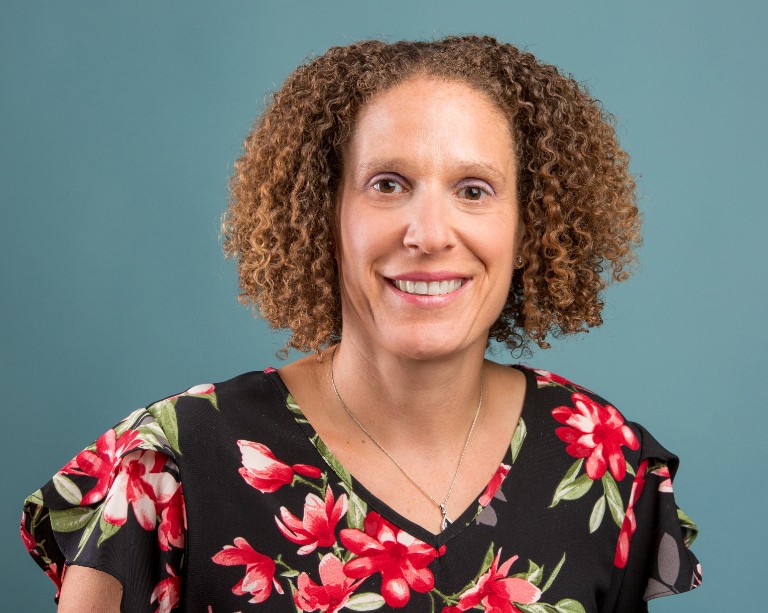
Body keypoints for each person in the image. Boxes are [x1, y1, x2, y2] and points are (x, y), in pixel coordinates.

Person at [21, 36, 701, 612]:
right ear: (327, 215)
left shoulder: (604, 459)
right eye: (387, 184)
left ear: (529, 226)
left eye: (473, 190)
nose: (429, 233)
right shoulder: (171, 465)